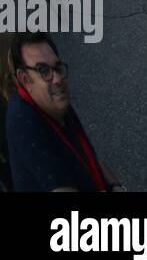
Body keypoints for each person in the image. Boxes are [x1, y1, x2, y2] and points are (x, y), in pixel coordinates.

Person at [5, 33, 120, 191]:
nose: (57, 79)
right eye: (43, 70)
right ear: (25, 79)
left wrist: (115, 185)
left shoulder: (53, 100)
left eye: (57, 68)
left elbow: (90, 156)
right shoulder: (23, 121)